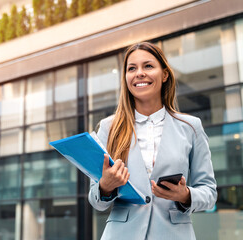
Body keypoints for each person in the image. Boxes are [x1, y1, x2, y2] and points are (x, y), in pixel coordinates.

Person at [88, 42, 217, 240]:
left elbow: (209, 193)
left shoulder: (191, 127)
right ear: (126, 78)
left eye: (148, 66)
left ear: (164, 74)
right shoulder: (108, 127)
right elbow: (96, 201)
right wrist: (105, 186)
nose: (139, 73)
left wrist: (185, 195)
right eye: (132, 68)